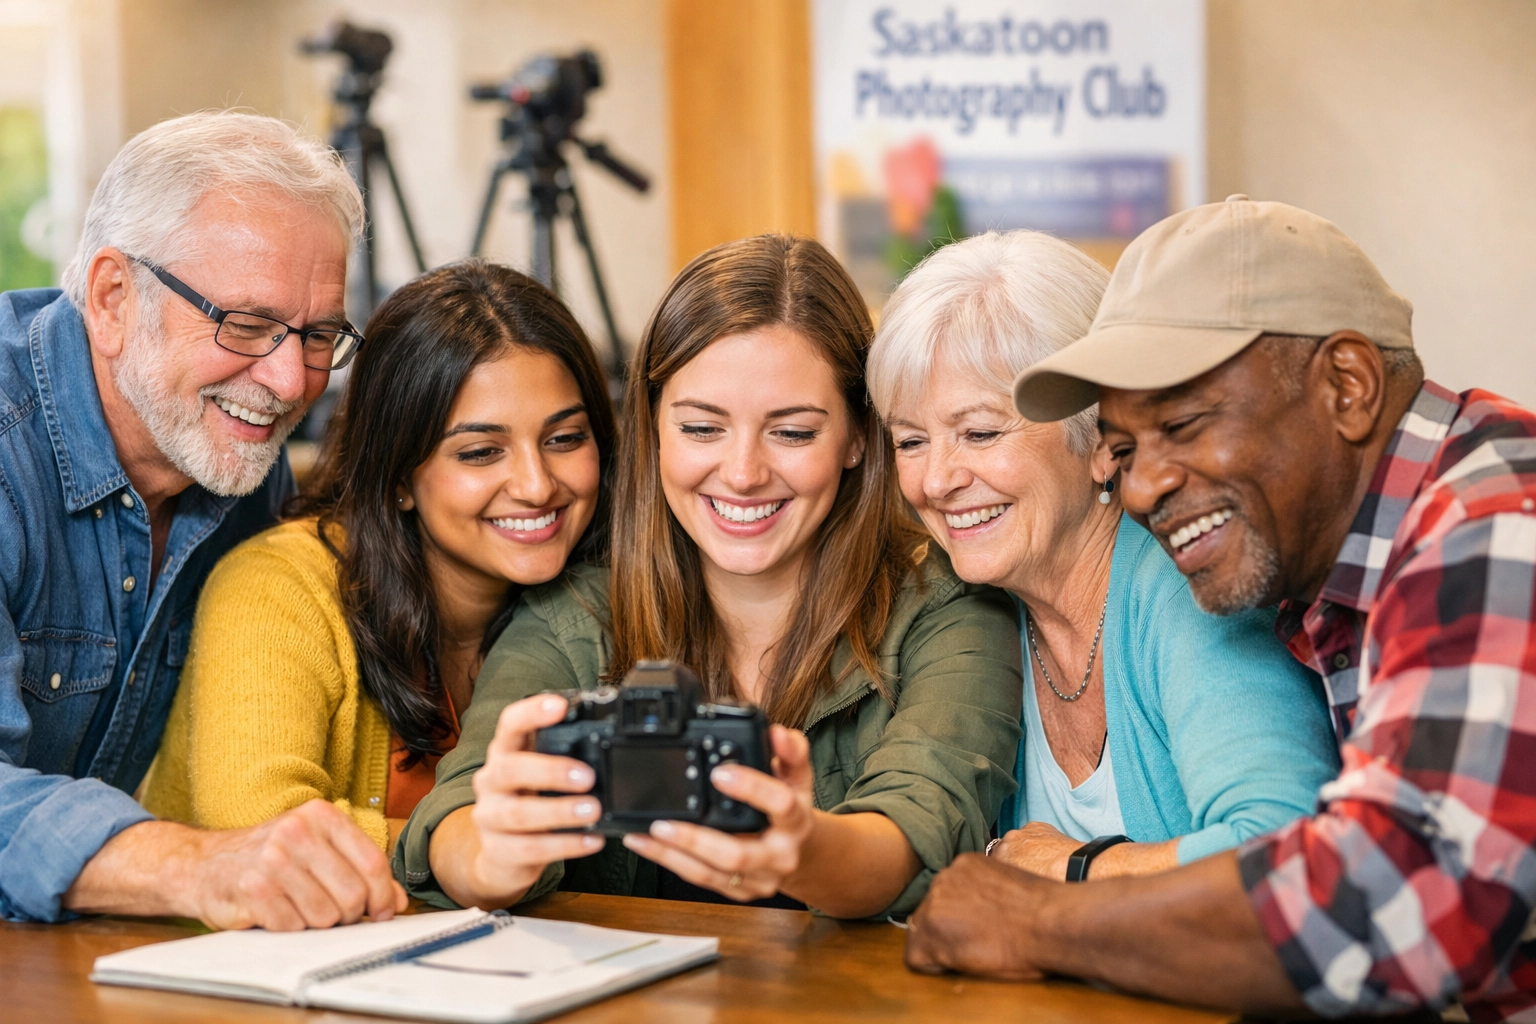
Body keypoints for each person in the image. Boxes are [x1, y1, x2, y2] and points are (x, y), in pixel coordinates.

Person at [906, 196, 1536, 1021]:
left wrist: (1039, 917)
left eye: (1184, 424)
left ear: (1347, 386)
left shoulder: (1494, 526)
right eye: (1126, 448)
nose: (1144, 488)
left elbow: (1393, 909)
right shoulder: (1347, 569)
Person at [395, 234, 1023, 919]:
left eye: (792, 432)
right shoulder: (571, 613)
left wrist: (803, 848)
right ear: (654, 428)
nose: (743, 473)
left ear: (856, 438)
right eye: (701, 429)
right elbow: (456, 819)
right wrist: (490, 854)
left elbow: (919, 829)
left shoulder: (949, 610)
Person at [0, 110, 405, 929]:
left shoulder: (228, 448)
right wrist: (196, 865)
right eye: (245, 325)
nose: (290, 382)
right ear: (113, 298)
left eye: (320, 335)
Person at [866, 230, 1338, 881]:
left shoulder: (1185, 588)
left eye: (980, 433)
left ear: (1098, 441)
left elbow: (1286, 848)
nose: (937, 481)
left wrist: (1076, 868)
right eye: (911, 442)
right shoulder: (963, 612)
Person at [140, 260, 614, 852]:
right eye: (480, 452)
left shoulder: (601, 595)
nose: (537, 486)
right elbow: (263, 829)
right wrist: (454, 850)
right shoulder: (276, 586)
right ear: (397, 476)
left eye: (564, 439)